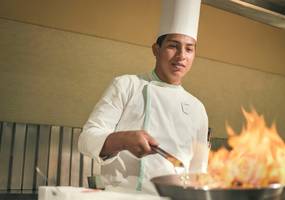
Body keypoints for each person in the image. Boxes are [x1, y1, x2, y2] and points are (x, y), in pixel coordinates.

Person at [78, 0, 209, 194]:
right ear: (156, 50)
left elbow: (198, 173)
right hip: (122, 196)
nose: (181, 56)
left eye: (189, 49)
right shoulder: (126, 85)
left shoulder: (198, 109)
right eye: (173, 46)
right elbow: (86, 139)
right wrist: (123, 139)